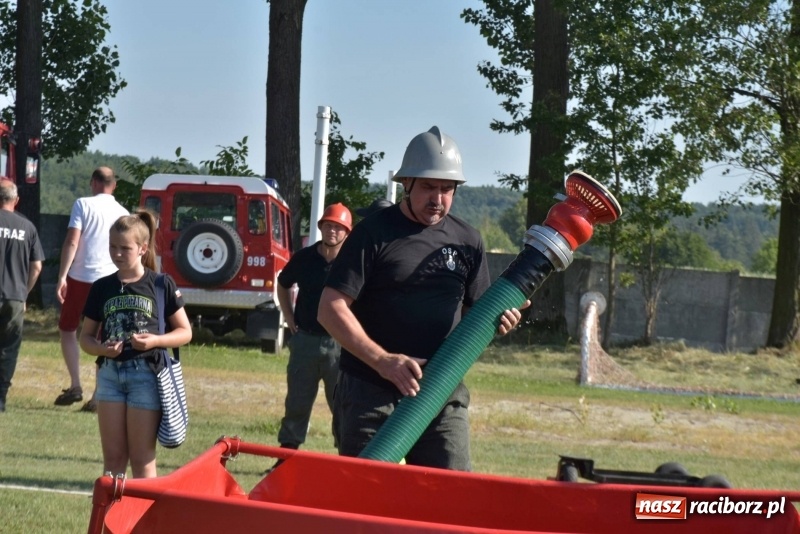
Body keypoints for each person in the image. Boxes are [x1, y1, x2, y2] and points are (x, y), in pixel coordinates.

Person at [318, 126, 527, 471]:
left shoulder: (468, 240)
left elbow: (476, 316)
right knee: (366, 496)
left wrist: (501, 321)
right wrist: (383, 360)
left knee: (449, 494)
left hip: (441, 391)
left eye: (447, 189)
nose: (438, 198)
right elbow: (330, 308)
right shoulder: (373, 233)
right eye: (429, 186)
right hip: (371, 391)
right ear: (407, 183)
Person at [79, 211, 192, 478]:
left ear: (142, 248)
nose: (117, 253)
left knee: (142, 460)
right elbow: (85, 338)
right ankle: (111, 508)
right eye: (112, 247)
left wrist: (156, 341)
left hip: (146, 376)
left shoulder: (160, 284)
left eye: (125, 248)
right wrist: (101, 349)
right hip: (109, 376)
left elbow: (185, 332)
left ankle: (144, 509)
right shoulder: (101, 287)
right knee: (113, 460)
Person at [273, 203, 352, 459]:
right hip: (305, 340)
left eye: (338, 227)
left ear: (347, 232)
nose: (332, 231)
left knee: (342, 405)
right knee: (296, 402)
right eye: (328, 225)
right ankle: (286, 458)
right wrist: (288, 317)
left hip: (339, 345)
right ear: (320, 227)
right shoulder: (304, 258)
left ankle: (346, 460)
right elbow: (283, 284)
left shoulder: (352, 263)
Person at [55, 167, 129, 411]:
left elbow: (72, 240)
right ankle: (98, 395)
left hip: (81, 276)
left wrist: (62, 275)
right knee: (105, 337)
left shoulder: (83, 204)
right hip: (110, 279)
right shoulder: (123, 212)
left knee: (68, 328)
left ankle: (75, 385)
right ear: (114, 185)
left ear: (93, 182)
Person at [0, 180, 44, 413]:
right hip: (15, 297)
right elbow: (36, 266)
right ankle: (1, 399)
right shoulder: (27, 227)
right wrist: (24, 294)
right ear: (16, 200)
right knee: (8, 348)